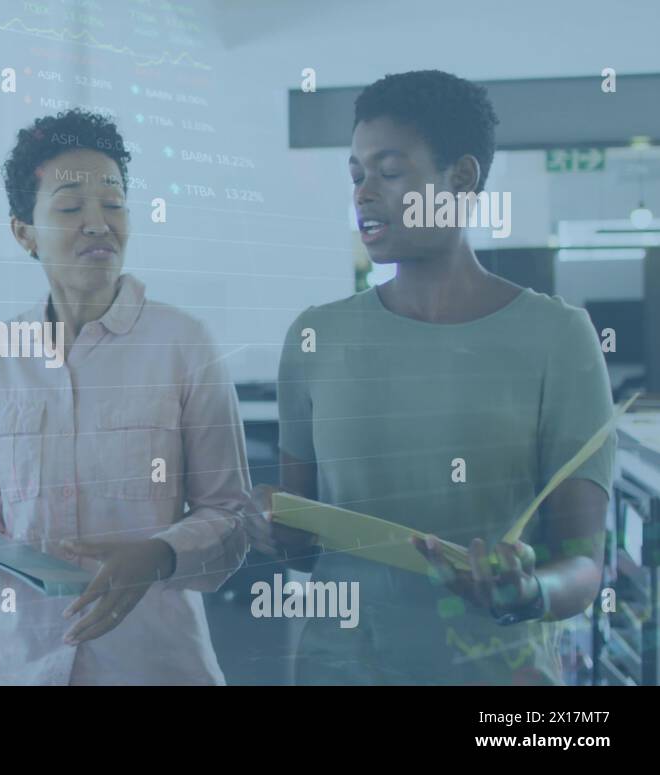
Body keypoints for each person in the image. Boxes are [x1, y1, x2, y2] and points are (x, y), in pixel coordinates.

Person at [245, 71, 614, 684]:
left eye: (388, 172)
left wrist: (524, 590)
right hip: (340, 670)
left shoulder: (559, 338)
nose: (363, 194)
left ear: (461, 177)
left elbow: (582, 567)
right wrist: (264, 525)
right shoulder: (315, 337)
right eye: (356, 176)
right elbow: (303, 548)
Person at [0, 109, 252, 684]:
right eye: (71, 208)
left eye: (114, 204)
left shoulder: (184, 343)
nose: (98, 223)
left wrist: (160, 556)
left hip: (149, 664)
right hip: (13, 664)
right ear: (24, 231)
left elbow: (233, 518)